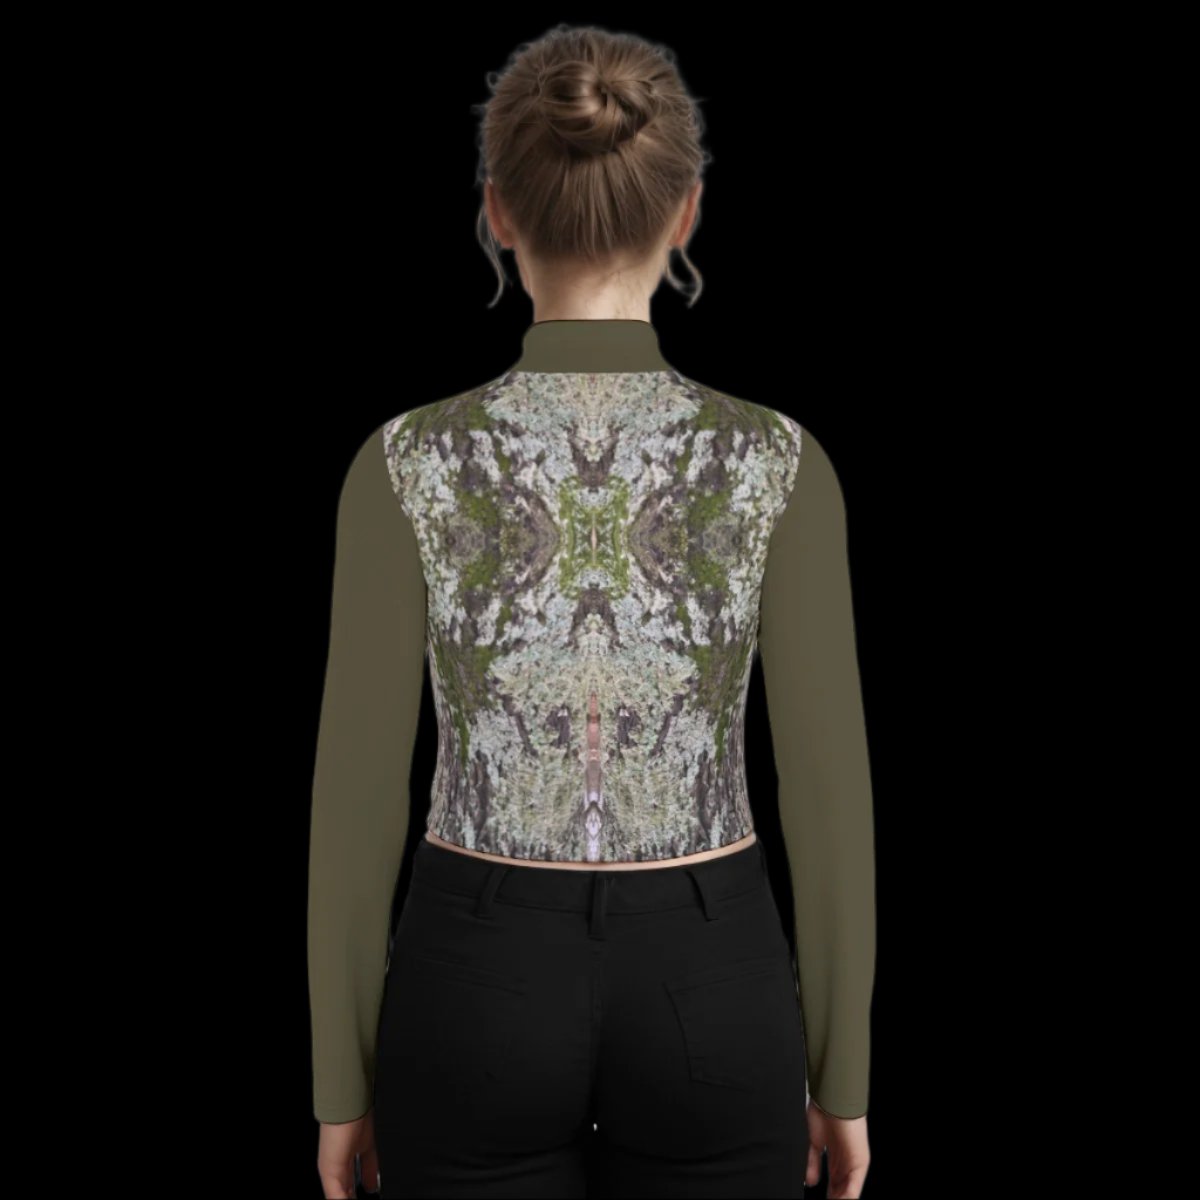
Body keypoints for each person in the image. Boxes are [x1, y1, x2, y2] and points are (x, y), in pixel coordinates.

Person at [308, 22, 875, 1200]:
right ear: (687, 215)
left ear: (497, 212)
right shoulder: (780, 461)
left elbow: (356, 804)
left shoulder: (402, 462)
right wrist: (845, 1075)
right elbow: (828, 800)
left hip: (473, 980)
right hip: (712, 979)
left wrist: (339, 1087)